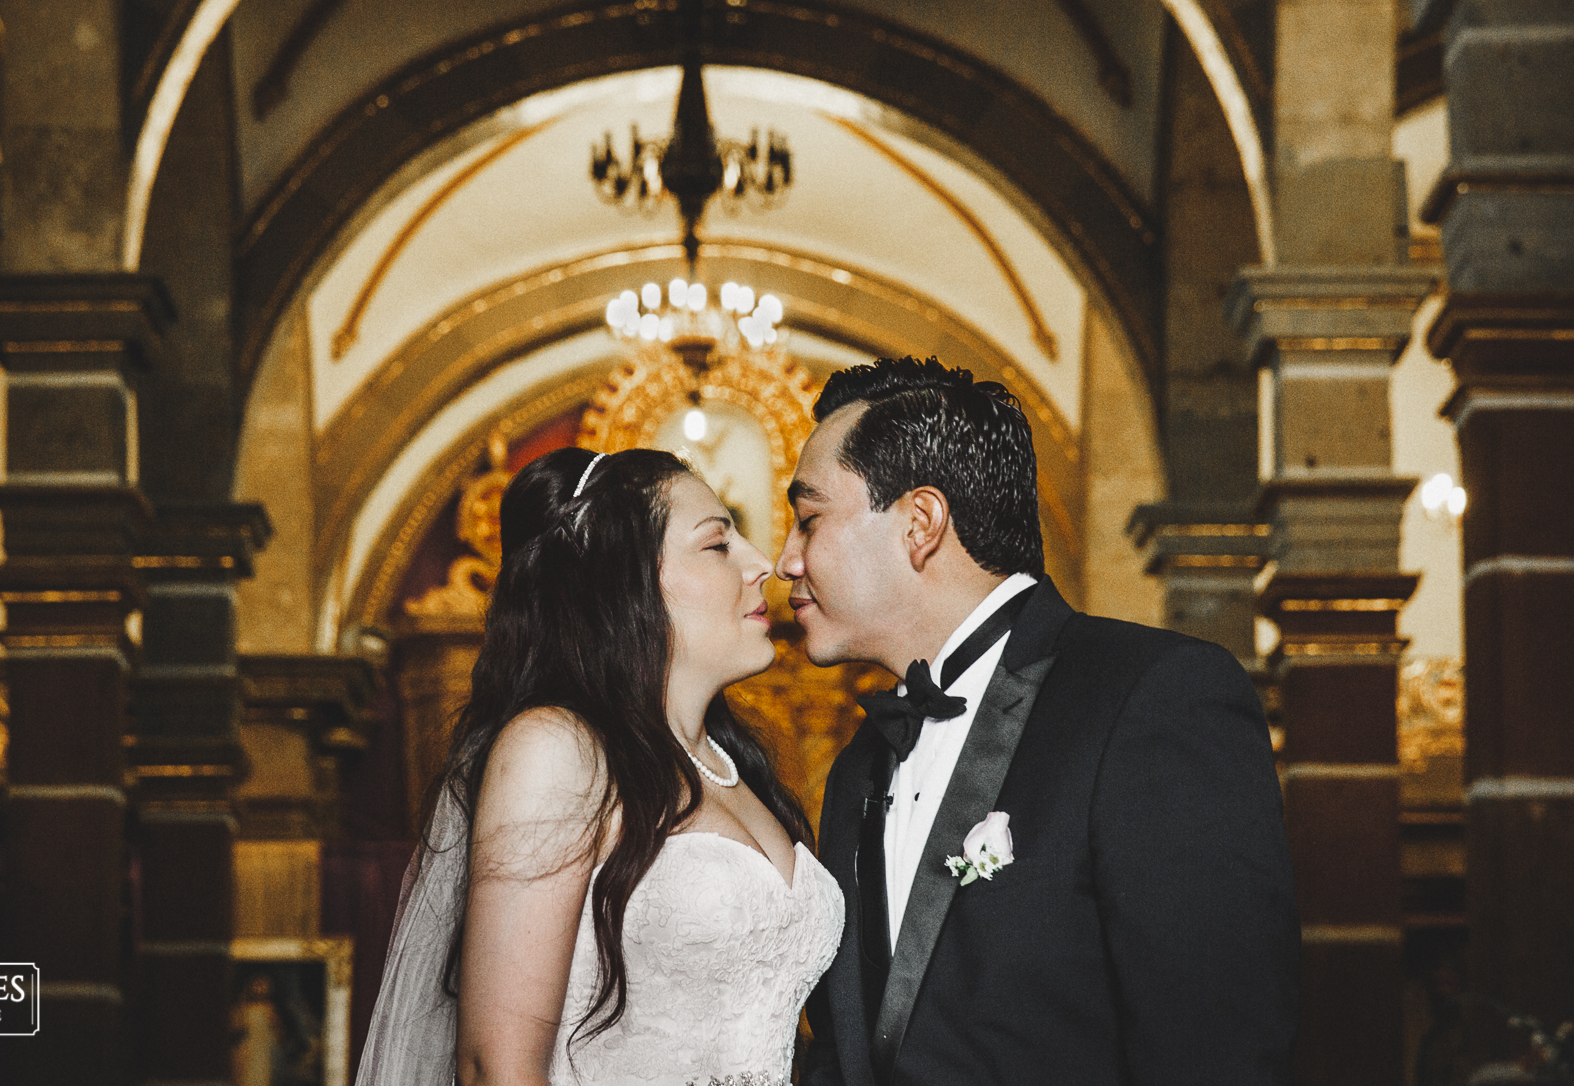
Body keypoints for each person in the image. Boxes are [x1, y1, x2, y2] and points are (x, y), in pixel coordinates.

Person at [786, 357, 1298, 1085]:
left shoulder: (1153, 697)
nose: (785, 559)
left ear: (919, 523)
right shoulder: (861, 764)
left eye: (809, 519)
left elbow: (1219, 1049)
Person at [356, 446, 843, 1086]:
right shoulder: (554, 750)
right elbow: (494, 1068)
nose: (762, 566)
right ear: (625, 580)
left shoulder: (735, 768)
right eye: (718, 545)